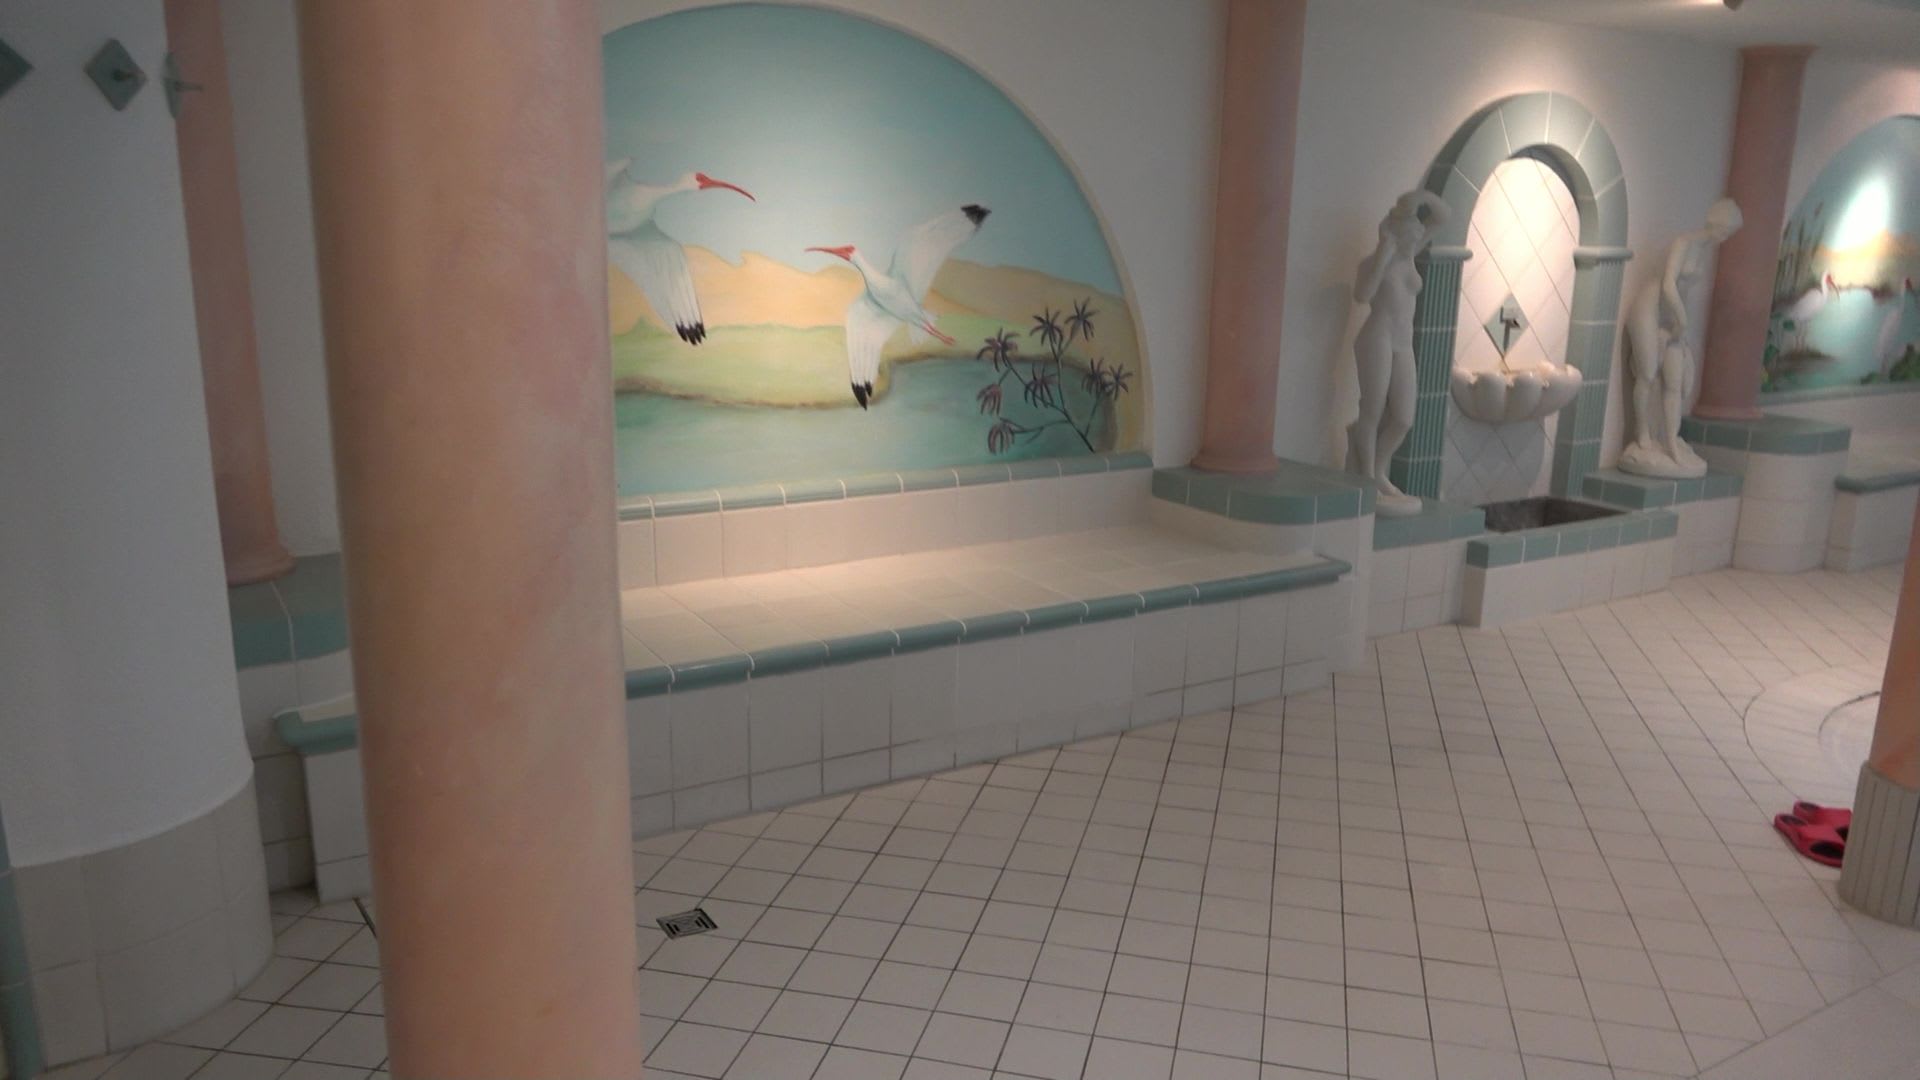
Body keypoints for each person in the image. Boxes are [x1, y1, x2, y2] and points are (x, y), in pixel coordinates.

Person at [1620, 197, 1743, 478]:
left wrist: (1680, 328)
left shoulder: (1704, 251)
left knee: (1674, 381)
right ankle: (1642, 433)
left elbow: (1684, 292)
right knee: (1647, 373)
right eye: (1725, 230)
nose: (1724, 238)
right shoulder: (1683, 243)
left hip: (1671, 318)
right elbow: (1668, 285)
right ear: (1716, 222)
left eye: (1729, 234)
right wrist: (1683, 321)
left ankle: (1671, 439)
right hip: (1649, 309)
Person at [1349, 189, 1450, 515]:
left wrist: (1420, 198)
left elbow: (1443, 217)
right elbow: (1362, 295)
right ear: (1397, 237)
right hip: (1376, 339)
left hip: (1403, 343)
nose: (1415, 244)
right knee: (1372, 411)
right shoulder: (1378, 262)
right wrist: (1384, 251)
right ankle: (1367, 477)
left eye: (1417, 238)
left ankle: (1379, 469)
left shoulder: (1409, 254)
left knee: (1404, 417)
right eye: (1410, 239)